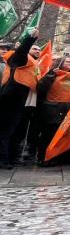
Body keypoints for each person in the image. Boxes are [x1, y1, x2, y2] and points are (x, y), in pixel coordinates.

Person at [0, 30, 41, 169]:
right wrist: (30, 38)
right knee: (5, 131)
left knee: (13, 130)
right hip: (9, 98)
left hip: (19, 100)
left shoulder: (30, 63)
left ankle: (10, 158)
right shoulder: (17, 58)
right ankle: (3, 160)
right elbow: (22, 51)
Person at [35, 56, 70, 165]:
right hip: (52, 109)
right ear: (60, 63)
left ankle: (58, 157)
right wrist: (52, 74)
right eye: (67, 61)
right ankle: (44, 157)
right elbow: (41, 87)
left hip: (67, 109)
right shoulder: (52, 73)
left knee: (63, 134)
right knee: (49, 134)